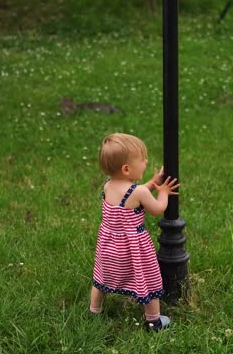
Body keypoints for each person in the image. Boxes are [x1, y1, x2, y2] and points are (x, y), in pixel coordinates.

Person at [89, 133, 180, 332]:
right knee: (149, 279)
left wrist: (152, 182)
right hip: (133, 249)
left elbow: (133, 194)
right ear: (126, 168)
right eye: (142, 159)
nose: (146, 161)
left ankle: (94, 310)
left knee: (101, 278)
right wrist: (163, 192)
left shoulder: (108, 185)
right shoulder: (139, 193)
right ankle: (154, 321)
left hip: (109, 247)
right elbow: (157, 209)